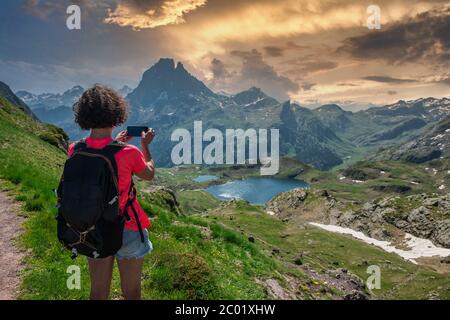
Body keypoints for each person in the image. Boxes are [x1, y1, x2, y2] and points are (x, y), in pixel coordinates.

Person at [69, 84, 155, 300]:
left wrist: (116, 142)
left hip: (92, 227)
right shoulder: (129, 152)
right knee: (132, 292)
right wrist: (145, 146)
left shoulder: (75, 149)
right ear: (117, 113)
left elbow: (100, 151)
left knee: (98, 292)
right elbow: (148, 174)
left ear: (83, 115)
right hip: (127, 226)